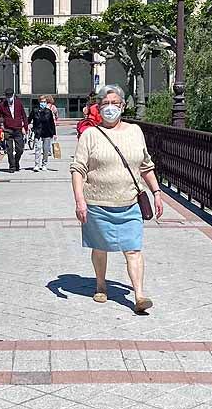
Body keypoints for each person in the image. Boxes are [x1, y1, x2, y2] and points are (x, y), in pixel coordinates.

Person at [70, 85, 164, 314]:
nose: (110, 108)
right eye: (105, 104)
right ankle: (101, 284)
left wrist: (157, 193)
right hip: (98, 203)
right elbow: (77, 169)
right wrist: (79, 201)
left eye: (115, 103)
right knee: (100, 247)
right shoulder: (90, 134)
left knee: (133, 249)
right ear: (98, 108)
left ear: (123, 106)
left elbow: (145, 165)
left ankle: (139, 295)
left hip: (129, 201)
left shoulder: (135, 132)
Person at [0, 87, 28, 172]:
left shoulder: (18, 103)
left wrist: (25, 127)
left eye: (10, 96)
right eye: (7, 96)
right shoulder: (2, 106)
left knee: (20, 149)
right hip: (8, 129)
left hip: (18, 129)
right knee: (9, 150)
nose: (9, 98)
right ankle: (12, 166)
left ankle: (16, 162)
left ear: (13, 95)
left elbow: (24, 116)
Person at [30, 95, 57, 171]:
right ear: (39, 102)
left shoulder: (48, 112)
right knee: (38, 148)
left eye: (45, 102)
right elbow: (29, 119)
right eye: (42, 102)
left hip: (47, 132)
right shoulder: (35, 110)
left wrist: (54, 133)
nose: (43, 103)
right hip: (38, 132)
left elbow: (52, 123)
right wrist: (28, 125)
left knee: (46, 149)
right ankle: (36, 165)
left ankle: (44, 164)